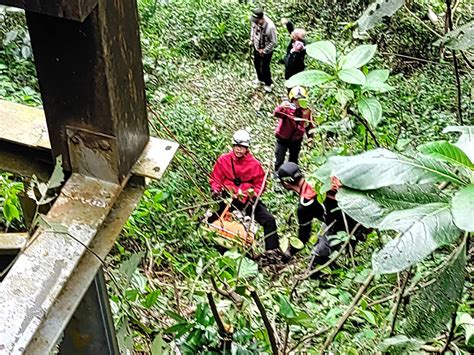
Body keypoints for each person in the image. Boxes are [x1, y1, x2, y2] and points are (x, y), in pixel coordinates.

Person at [209, 130, 287, 263]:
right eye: (236, 146)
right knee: (210, 220)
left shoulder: (254, 164)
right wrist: (216, 191)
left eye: (242, 147)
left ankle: (272, 253)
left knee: (269, 220)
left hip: (247, 200)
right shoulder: (224, 160)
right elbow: (216, 178)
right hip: (227, 197)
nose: (239, 150)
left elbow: (260, 184)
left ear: (247, 148)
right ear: (233, 146)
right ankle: (214, 246)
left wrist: (253, 195)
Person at [276, 162, 367, 268]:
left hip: (344, 223)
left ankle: (332, 271)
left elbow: (304, 237)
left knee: (316, 262)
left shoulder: (305, 204)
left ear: (286, 183)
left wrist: (289, 252)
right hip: (357, 213)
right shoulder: (317, 181)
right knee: (322, 237)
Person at [273, 86, 314, 172]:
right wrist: (281, 107)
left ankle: (292, 174)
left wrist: (310, 137)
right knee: (279, 157)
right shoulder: (287, 109)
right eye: (296, 100)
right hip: (282, 137)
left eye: (301, 100)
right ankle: (277, 173)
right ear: (291, 100)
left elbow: (309, 124)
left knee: (294, 159)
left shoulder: (306, 111)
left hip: (296, 139)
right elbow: (276, 114)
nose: (298, 103)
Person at [250, 8, 277, 92]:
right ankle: (260, 79)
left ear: (261, 19)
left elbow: (274, 41)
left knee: (265, 67)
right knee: (256, 63)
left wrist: (265, 50)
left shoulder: (270, 27)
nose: (255, 22)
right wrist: (251, 40)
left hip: (266, 50)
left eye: (257, 20)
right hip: (257, 46)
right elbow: (253, 30)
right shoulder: (255, 22)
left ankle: (268, 83)